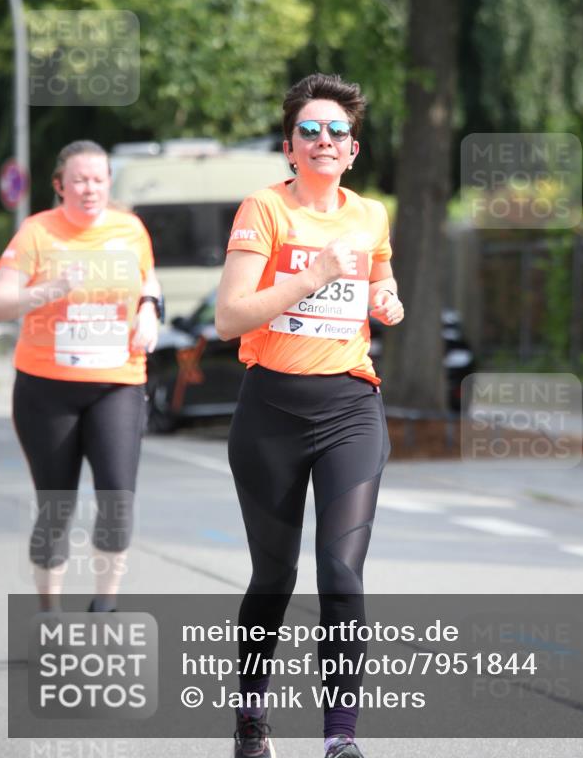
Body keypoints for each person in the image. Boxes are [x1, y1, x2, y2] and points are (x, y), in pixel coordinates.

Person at [216, 74, 405, 758]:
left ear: (352, 151)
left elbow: (378, 274)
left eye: (337, 133)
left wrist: (387, 299)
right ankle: (251, 720)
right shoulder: (263, 210)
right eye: (309, 131)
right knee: (274, 578)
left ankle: (339, 739)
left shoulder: (370, 214)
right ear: (290, 147)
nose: (324, 141)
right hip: (270, 411)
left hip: (350, 407)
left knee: (341, 574)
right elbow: (230, 314)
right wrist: (311, 274)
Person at [0, 140, 162, 613]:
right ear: (60, 185)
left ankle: (103, 607)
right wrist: (49, 290)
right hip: (47, 389)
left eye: (100, 179)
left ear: (109, 183)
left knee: (117, 500)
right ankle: (50, 612)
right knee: (56, 506)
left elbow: (148, 279)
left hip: (118, 382)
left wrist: (150, 309)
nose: (90, 189)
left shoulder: (131, 230)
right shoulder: (36, 233)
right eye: (80, 180)